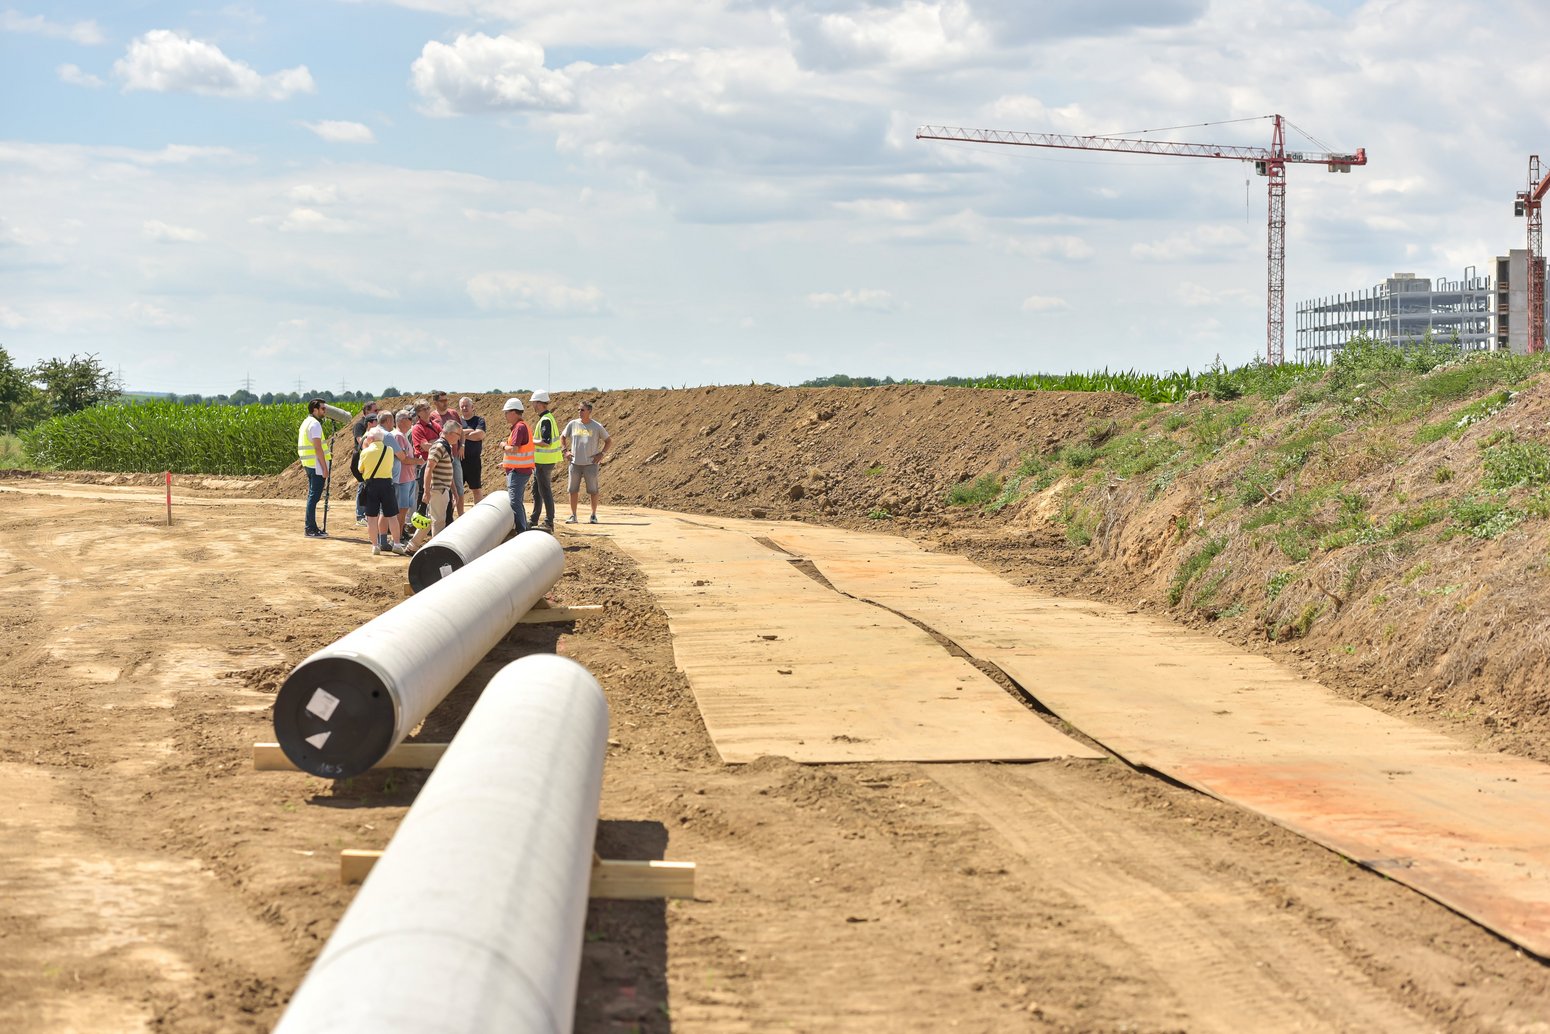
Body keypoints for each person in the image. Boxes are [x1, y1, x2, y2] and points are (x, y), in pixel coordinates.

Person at [408, 421, 463, 552]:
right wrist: (426, 492)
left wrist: (454, 492)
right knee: (438, 521)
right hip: (438, 489)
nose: (459, 438)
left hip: (442, 489)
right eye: (458, 434)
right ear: (449, 433)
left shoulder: (445, 446)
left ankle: (412, 545)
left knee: (430, 520)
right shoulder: (439, 446)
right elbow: (428, 468)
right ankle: (435, 551)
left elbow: (448, 471)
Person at [358, 422, 406, 556]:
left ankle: (375, 546)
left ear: (371, 439)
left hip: (371, 485)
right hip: (387, 485)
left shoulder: (365, 452)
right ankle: (396, 543)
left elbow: (360, 469)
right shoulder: (389, 450)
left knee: (371, 518)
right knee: (392, 516)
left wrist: (366, 448)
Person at [561, 400, 610, 524]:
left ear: (589, 411)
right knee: (573, 490)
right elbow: (562, 437)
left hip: (590, 464)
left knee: (593, 491)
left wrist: (602, 454)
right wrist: (565, 451)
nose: (580, 412)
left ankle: (593, 515)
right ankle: (573, 515)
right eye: (579, 410)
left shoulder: (596, 426)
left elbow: (608, 441)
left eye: (582, 410)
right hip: (575, 463)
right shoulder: (573, 424)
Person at [527, 390, 561, 531]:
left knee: (544, 490)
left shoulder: (546, 420)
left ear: (540, 403)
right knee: (537, 490)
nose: (533, 406)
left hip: (544, 461)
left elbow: (545, 442)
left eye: (534, 403)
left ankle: (549, 522)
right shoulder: (546, 418)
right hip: (541, 461)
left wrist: (530, 441)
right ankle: (534, 519)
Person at [298, 398, 331, 538]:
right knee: (314, 497)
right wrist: (324, 468)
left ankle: (312, 527)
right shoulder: (315, 424)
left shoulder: (306, 422)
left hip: (309, 464)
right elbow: (318, 448)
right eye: (322, 409)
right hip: (316, 465)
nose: (325, 411)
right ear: (315, 410)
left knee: (312, 497)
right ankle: (310, 528)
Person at [501, 397, 534, 535]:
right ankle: (523, 527)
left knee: (514, 501)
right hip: (519, 469)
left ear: (514, 412)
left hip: (518, 471)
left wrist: (503, 446)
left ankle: (521, 530)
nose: (505, 415)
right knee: (517, 501)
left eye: (507, 412)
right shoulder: (521, 426)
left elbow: (514, 449)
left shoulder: (519, 427)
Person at [433, 391, 466, 519]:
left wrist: (462, 445)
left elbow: (461, 431)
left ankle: (461, 515)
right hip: (441, 458)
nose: (445, 403)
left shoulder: (453, 414)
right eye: (442, 401)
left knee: (458, 486)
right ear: (435, 402)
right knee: (444, 488)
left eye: (446, 400)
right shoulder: (432, 417)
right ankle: (447, 517)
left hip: (455, 457)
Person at [391, 409, 421, 541]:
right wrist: (418, 461)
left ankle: (400, 531)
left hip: (408, 477)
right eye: (410, 418)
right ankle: (397, 535)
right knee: (401, 509)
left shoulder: (402, 436)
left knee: (404, 508)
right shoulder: (398, 436)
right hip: (403, 478)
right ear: (402, 420)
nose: (412, 421)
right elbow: (403, 459)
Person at [350, 401, 382, 527]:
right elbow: (360, 441)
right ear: (366, 412)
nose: (377, 413)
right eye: (374, 411)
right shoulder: (359, 425)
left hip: (369, 456)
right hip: (362, 457)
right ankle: (360, 515)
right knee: (362, 485)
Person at [457, 397, 487, 504]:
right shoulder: (457, 421)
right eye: (462, 406)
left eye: (467, 406)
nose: (464, 408)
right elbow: (451, 435)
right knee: (456, 490)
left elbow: (479, 435)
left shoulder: (479, 420)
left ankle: (479, 516)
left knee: (476, 489)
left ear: (472, 407)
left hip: (473, 461)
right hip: (458, 461)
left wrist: (461, 434)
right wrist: (469, 431)